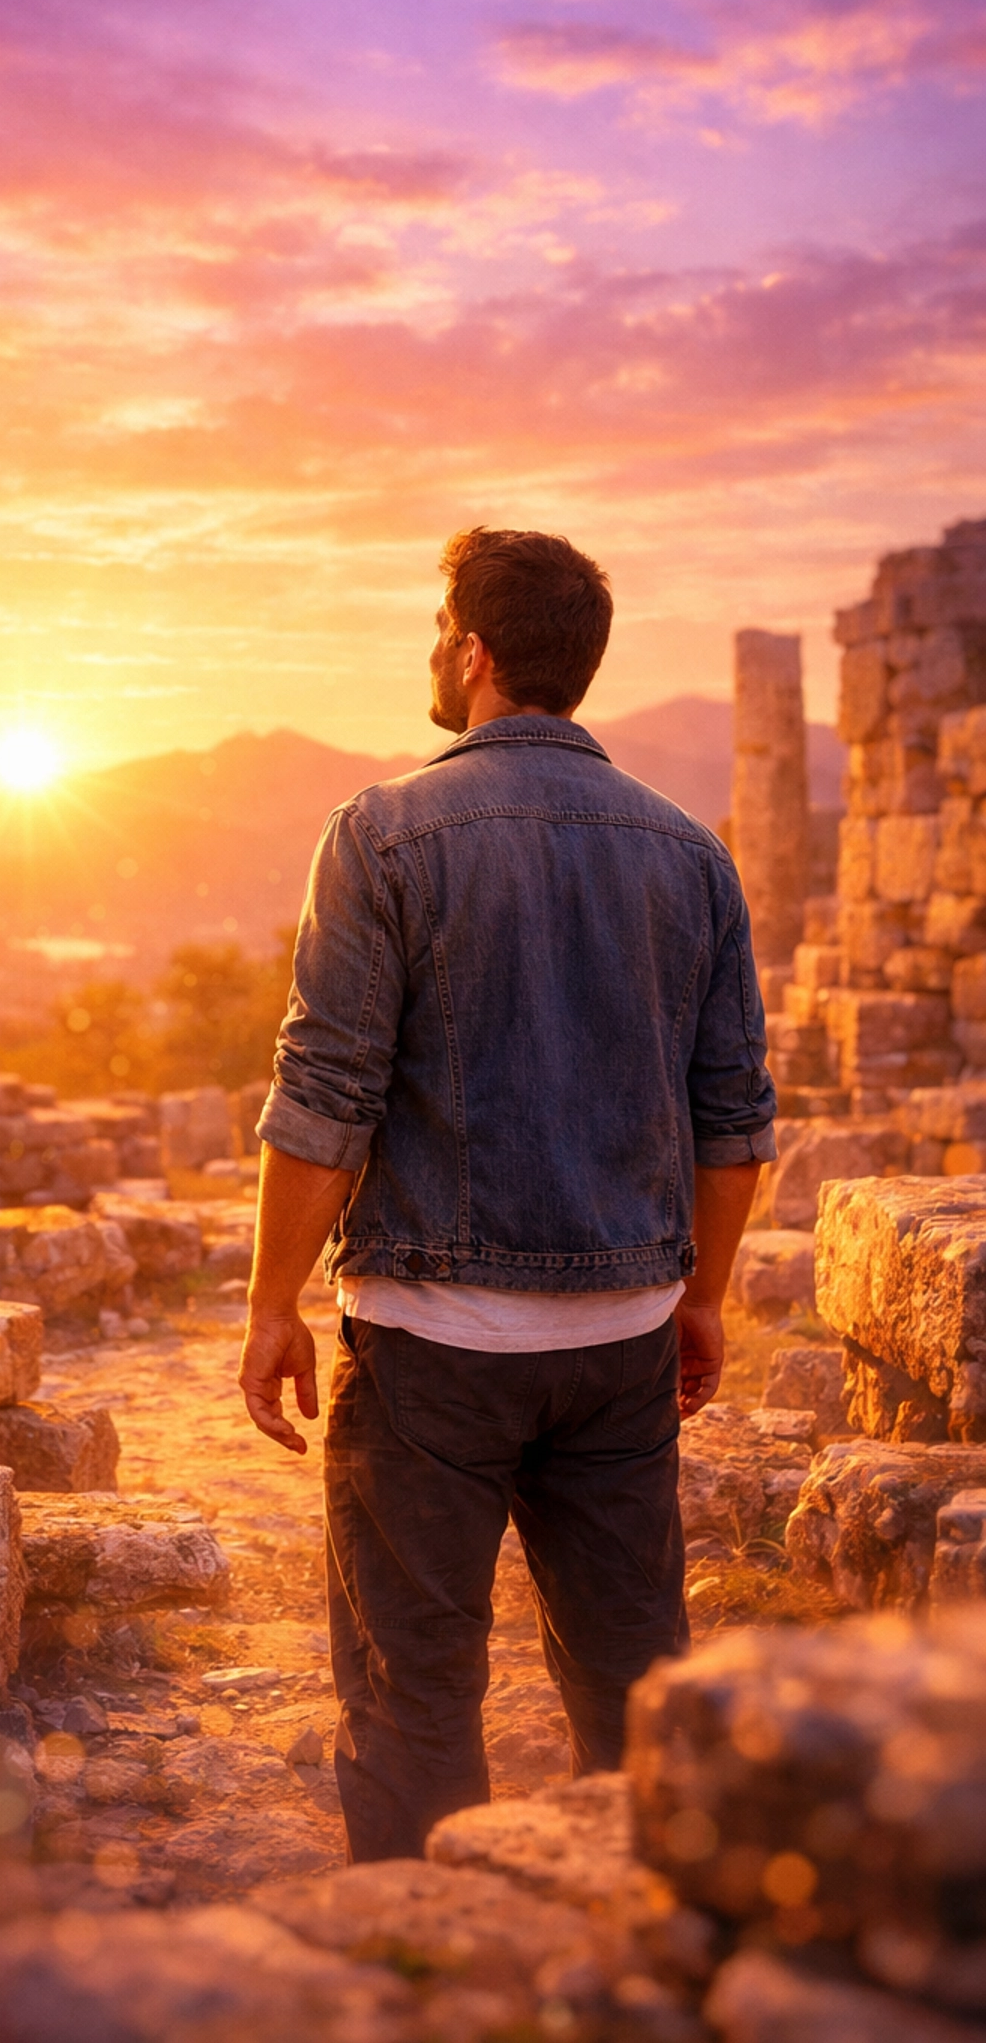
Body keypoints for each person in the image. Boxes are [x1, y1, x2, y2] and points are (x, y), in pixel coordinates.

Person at [238, 525, 775, 1863]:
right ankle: (659, 1956)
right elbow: (734, 1126)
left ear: (476, 654)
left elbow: (326, 1100)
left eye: (441, 632)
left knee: (414, 1693)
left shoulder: (379, 833)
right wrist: (700, 1297)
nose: (437, 653)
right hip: (619, 1351)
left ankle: (425, 1976)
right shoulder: (692, 856)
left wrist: (270, 1306)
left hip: (429, 1356)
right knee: (634, 1689)